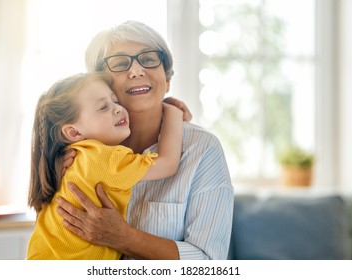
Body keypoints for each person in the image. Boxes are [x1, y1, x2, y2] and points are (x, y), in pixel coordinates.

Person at [57, 20, 234, 260]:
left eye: (149, 59)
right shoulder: (77, 151)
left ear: (167, 79)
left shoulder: (202, 149)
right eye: (120, 63)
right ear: (99, 85)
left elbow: (208, 263)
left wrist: (124, 237)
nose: (137, 70)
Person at [27, 72, 183, 259]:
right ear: (74, 132)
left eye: (115, 101)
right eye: (103, 107)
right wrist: (173, 112)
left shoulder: (72, 160)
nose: (117, 109)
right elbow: (167, 164)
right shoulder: (104, 157)